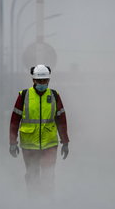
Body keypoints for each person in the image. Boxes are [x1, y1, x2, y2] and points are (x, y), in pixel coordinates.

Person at [9, 64, 70, 196]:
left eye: (45, 80)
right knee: (32, 175)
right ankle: (33, 203)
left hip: (50, 144)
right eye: (39, 80)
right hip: (29, 145)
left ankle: (47, 204)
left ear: (48, 80)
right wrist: (12, 142)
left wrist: (65, 142)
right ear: (33, 80)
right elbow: (15, 120)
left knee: (48, 176)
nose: (42, 83)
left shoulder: (54, 95)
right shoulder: (24, 96)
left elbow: (61, 120)